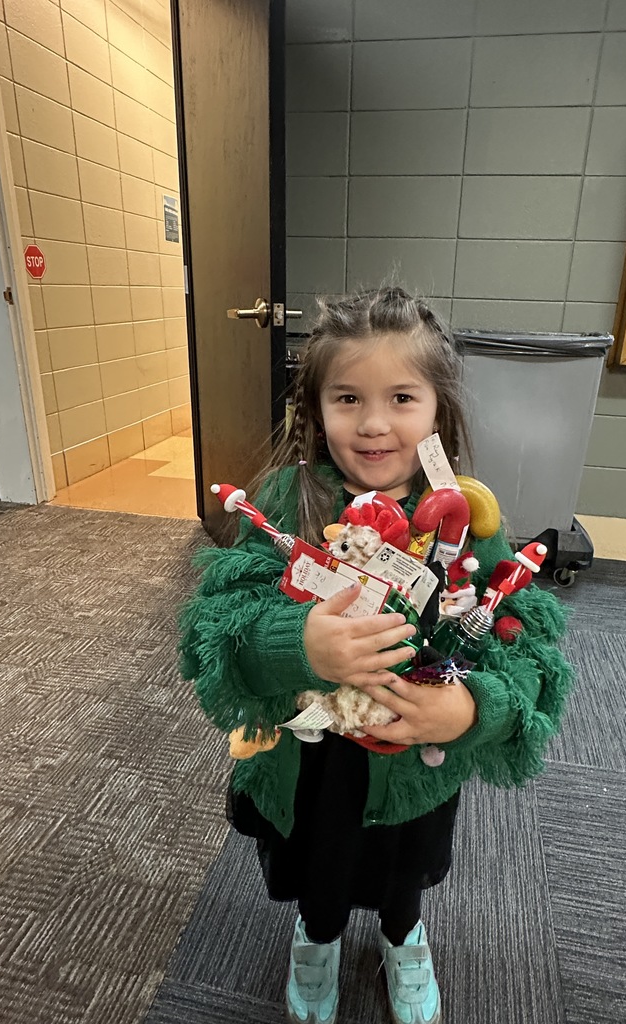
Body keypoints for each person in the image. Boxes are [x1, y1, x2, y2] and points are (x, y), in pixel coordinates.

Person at [180, 286, 573, 1024]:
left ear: (437, 412)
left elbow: (528, 652)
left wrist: (469, 709)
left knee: (403, 871)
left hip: (416, 755)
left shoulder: (465, 519)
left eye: (401, 397)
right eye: (346, 398)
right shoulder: (286, 502)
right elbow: (213, 636)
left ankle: (403, 937)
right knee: (317, 871)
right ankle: (318, 935)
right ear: (314, 409)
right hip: (310, 760)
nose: (372, 424)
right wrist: (296, 645)